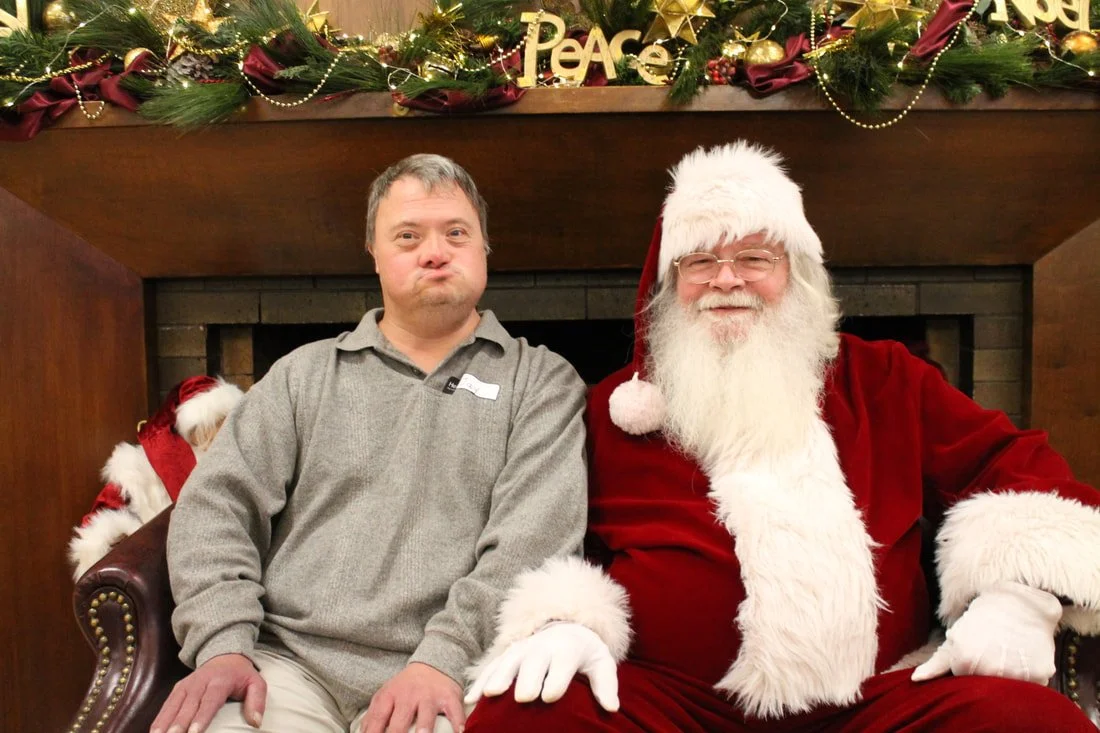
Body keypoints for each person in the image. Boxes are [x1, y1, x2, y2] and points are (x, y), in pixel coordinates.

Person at [462, 141, 1100, 732]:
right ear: (669, 282)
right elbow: (550, 532)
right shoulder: (613, 408)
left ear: (795, 271)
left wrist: (1021, 595)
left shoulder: (885, 378)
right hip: (676, 707)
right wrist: (564, 621)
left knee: (1028, 720)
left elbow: (1013, 463)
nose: (726, 280)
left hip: (877, 703)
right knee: (520, 716)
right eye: (701, 261)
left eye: (753, 258)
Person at [151, 154, 589, 733]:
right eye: (408, 237)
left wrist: (442, 659)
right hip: (284, 664)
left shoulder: (542, 382)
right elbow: (216, 509)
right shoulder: (302, 376)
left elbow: (531, 544)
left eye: (456, 233)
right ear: (375, 255)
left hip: (450, 673)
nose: (435, 252)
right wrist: (223, 643)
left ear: (485, 248)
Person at [69, 375, 244, 580]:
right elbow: (101, 518)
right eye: (215, 423)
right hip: (175, 566)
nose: (222, 433)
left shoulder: (238, 461)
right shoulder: (140, 468)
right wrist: (119, 535)